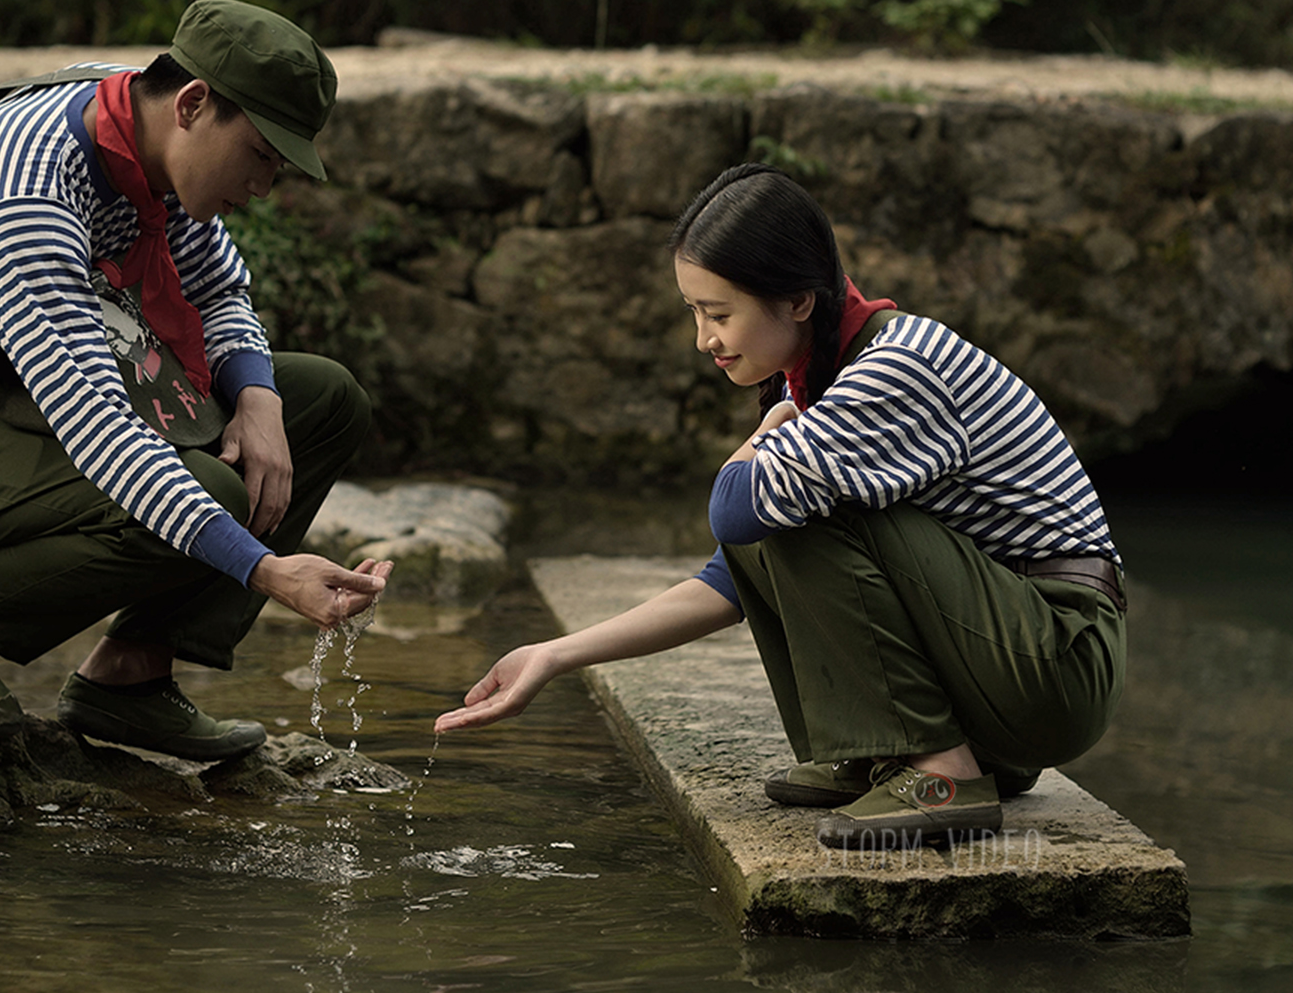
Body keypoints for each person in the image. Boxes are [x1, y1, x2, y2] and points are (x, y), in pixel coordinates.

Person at [435, 163, 1125, 849]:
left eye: (719, 313)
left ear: (799, 300)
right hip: (1011, 659)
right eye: (695, 312)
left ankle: (941, 772)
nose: (704, 338)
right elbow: (731, 572)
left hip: (1058, 659)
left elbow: (734, 510)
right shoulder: (834, 377)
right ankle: (891, 753)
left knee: (789, 505)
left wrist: (764, 435)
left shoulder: (895, 367)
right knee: (783, 508)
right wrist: (553, 656)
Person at [0, 0, 389, 761]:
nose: (266, 185)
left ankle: (129, 676)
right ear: (194, 103)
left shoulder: (143, 131)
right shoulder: (20, 196)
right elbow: (102, 434)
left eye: (282, 166)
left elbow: (218, 289)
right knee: (209, 494)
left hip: (28, 393)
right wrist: (264, 571)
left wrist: (257, 402)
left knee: (319, 400)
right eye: (261, 155)